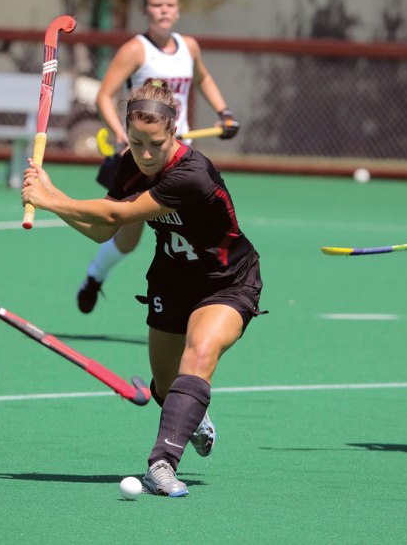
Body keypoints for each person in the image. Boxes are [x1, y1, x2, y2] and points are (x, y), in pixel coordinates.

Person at [22, 78, 264, 496]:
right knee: (167, 385)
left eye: (155, 143)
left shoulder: (192, 175)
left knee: (200, 353)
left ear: (174, 132)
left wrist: (51, 197)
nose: (146, 154)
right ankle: (192, 414)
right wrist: (51, 203)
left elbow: (118, 214)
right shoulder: (129, 165)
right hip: (170, 281)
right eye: (136, 143)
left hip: (225, 281)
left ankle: (161, 465)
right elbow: (102, 232)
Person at [77, 0, 239, 314]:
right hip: (145, 160)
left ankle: (194, 305)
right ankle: (95, 276)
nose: (163, 10)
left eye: (169, 4)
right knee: (127, 240)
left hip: (180, 157)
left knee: (193, 232)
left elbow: (203, 78)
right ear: (145, 10)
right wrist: (125, 136)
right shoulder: (136, 49)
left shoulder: (189, 47)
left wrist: (224, 111)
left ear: (178, 10)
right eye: (156, 4)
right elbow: (104, 97)